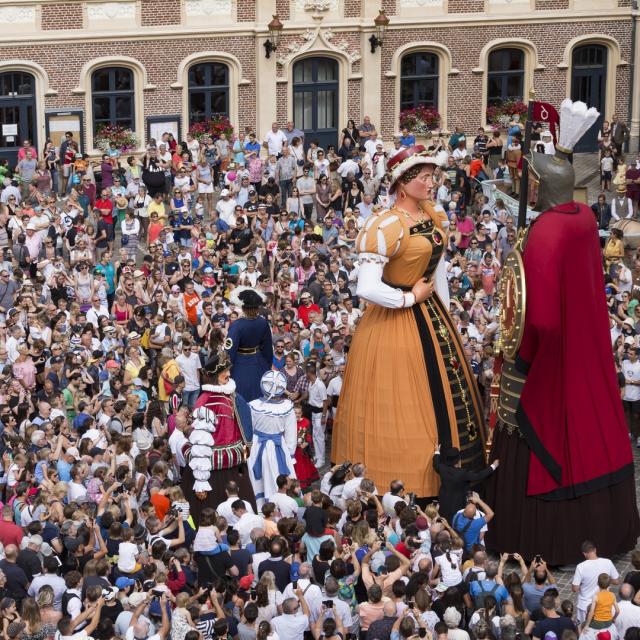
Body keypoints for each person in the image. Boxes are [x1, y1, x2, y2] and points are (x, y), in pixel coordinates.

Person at [487, 100, 640, 564]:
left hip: (546, 364)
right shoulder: (582, 221)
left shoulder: (545, 235)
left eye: (529, 182)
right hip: (584, 354)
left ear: (539, 185)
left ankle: (539, 537)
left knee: (539, 440)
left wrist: (522, 356)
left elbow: (542, 320)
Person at [332, 145, 487, 497]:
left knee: (445, 393)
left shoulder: (433, 217)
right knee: (400, 399)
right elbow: (368, 287)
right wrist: (407, 298)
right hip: (392, 320)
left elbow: (438, 273)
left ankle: (459, 472)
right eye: (424, 177)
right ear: (403, 183)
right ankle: (405, 481)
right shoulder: (385, 225)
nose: (432, 182)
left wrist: (444, 312)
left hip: (431, 316)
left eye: (433, 175)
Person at [181, 353, 256, 522]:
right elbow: (200, 441)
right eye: (224, 372)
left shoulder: (228, 396)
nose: (229, 375)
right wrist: (200, 483)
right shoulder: (207, 401)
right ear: (216, 376)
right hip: (212, 468)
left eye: (229, 371)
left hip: (232, 460)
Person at [247, 371, 297, 507]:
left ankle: (261, 506)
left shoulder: (253, 406)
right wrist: (290, 454)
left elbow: (248, 431)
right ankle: (279, 505)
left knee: (260, 478)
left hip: (258, 446)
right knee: (276, 475)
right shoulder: (287, 408)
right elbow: (291, 434)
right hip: (277, 447)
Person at [226, 288, 273, 402]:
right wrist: (266, 366)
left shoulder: (236, 325)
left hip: (240, 366)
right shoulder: (263, 322)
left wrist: (227, 370)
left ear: (242, 307)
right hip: (259, 363)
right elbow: (267, 349)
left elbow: (229, 352)